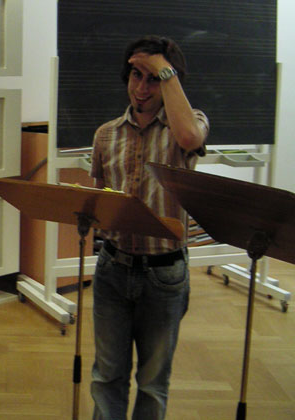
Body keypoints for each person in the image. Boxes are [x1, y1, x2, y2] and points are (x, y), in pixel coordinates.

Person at [89, 35, 209, 420]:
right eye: (136, 75)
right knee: (107, 375)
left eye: (153, 78)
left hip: (164, 274)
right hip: (113, 268)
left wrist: (165, 70)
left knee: (153, 381)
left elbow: (189, 137)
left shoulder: (188, 126)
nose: (141, 87)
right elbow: (99, 198)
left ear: (171, 81)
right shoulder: (106, 133)